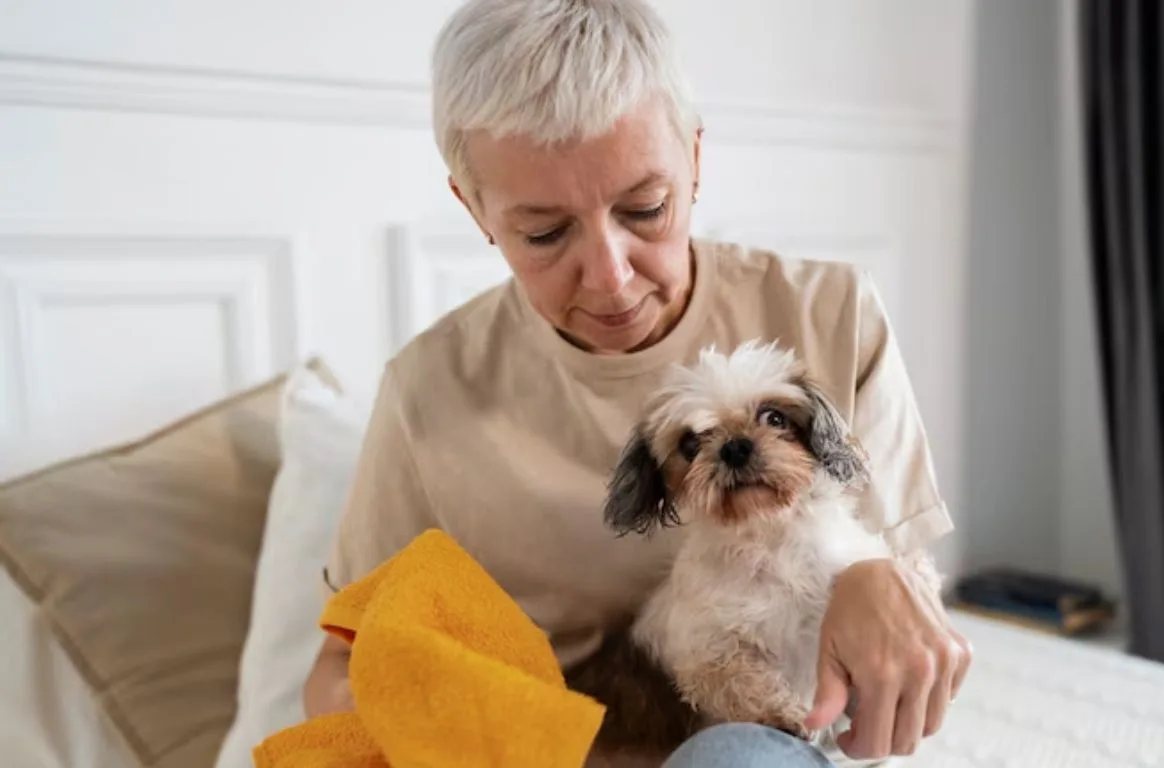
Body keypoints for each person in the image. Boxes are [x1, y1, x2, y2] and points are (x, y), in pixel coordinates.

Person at [302, 0, 972, 765]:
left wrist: (892, 595)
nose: (612, 278)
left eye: (646, 208)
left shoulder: (831, 314)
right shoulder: (427, 394)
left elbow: (908, 597)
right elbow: (338, 668)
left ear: (694, 158)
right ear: (474, 207)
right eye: (545, 232)